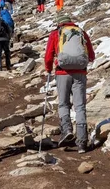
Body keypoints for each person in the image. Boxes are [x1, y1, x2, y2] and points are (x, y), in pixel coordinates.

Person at [44, 14, 95, 153]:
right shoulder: (81, 33)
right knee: (80, 106)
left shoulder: (56, 34)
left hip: (62, 73)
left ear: (59, 24)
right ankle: (82, 142)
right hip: (80, 73)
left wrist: (48, 69)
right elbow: (91, 56)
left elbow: (48, 55)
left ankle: (66, 130)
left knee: (64, 103)